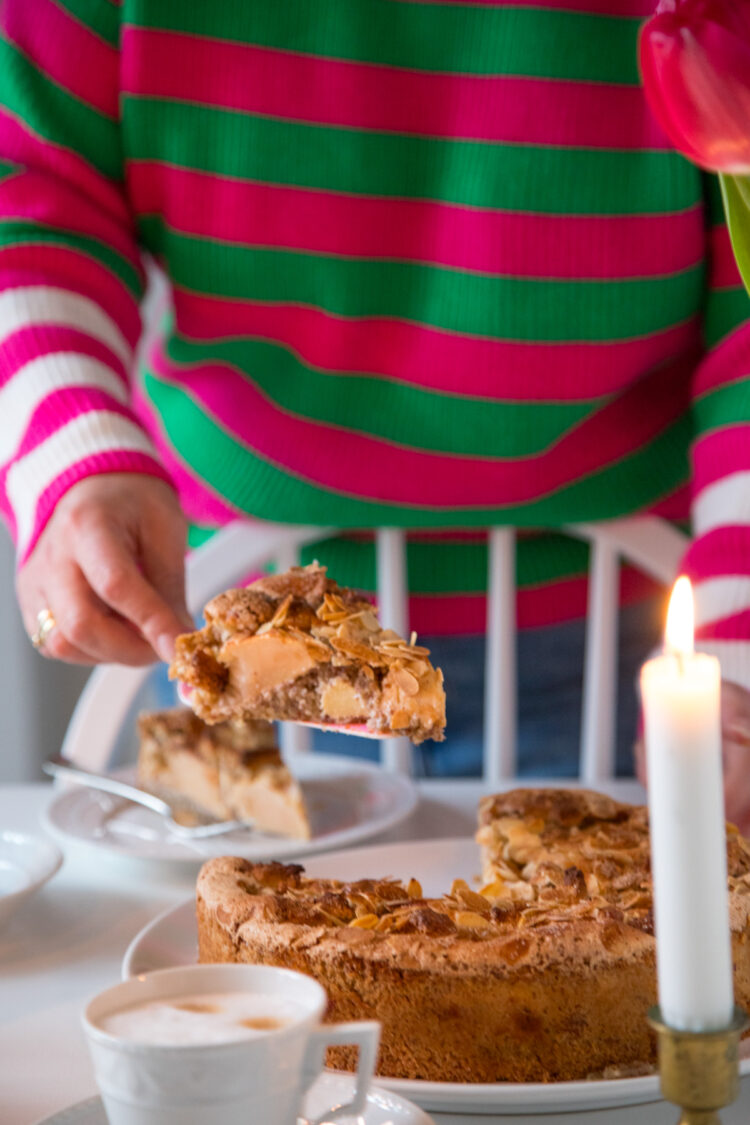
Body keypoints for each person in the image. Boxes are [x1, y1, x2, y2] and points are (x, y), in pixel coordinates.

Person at [2, 1, 750, 824]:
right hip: (244, 654)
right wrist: (68, 450)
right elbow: (30, 183)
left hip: (638, 642)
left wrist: (737, 641)